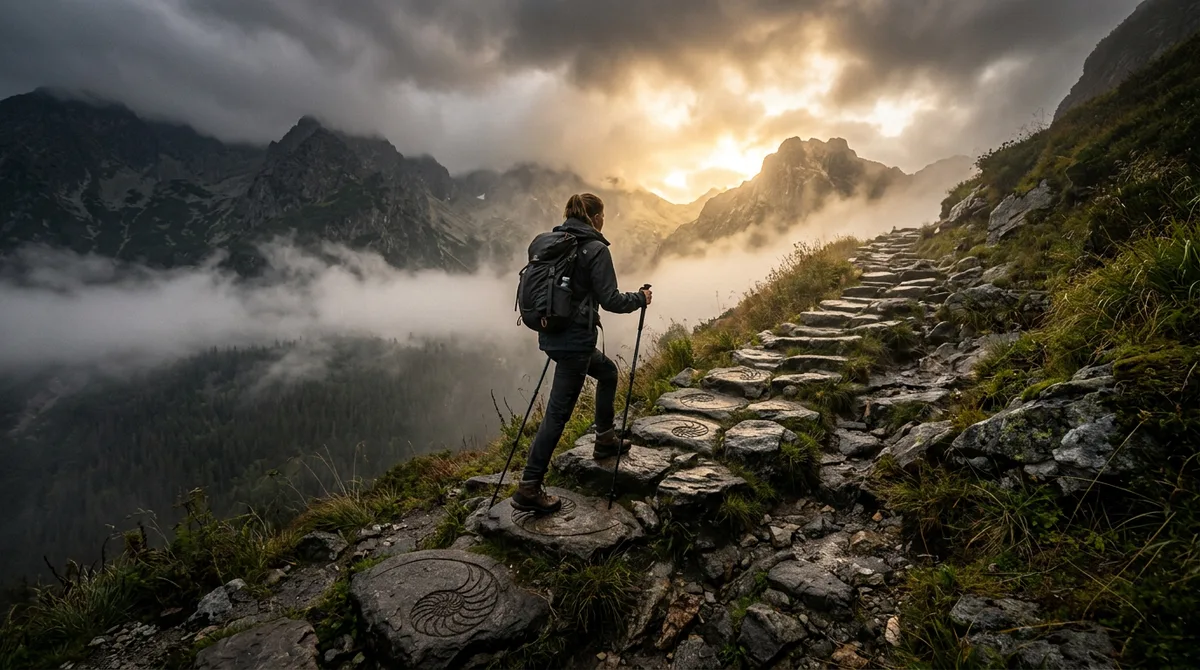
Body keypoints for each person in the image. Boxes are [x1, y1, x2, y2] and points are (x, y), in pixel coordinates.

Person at [512, 193, 653, 514]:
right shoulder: (595, 249)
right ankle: (529, 487)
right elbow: (612, 300)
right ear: (597, 217)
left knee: (607, 372)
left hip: (552, 333)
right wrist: (641, 298)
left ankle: (604, 438)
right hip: (575, 343)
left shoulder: (550, 244)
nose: (605, 221)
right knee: (557, 415)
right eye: (604, 215)